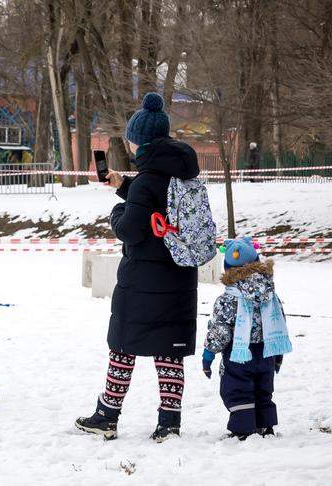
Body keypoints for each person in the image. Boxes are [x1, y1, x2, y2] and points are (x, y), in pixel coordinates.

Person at [75, 92, 199, 441]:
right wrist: (123, 186)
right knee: (169, 351)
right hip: (178, 277)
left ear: (139, 140)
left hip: (143, 280)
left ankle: (107, 415)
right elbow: (155, 200)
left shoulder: (148, 179)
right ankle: (169, 423)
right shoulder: (180, 173)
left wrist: (117, 212)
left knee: (123, 345)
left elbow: (131, 227)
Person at [202, 237, 291, 439]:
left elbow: (221, 330)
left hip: (238, 355)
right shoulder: (270, 294)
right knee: (263, 390)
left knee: (237, 390)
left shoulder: (228, 299)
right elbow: (279, 323)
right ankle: (265, 425)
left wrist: (208, 354)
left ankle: (243, 429)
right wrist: (278, 355)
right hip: (266, 352)